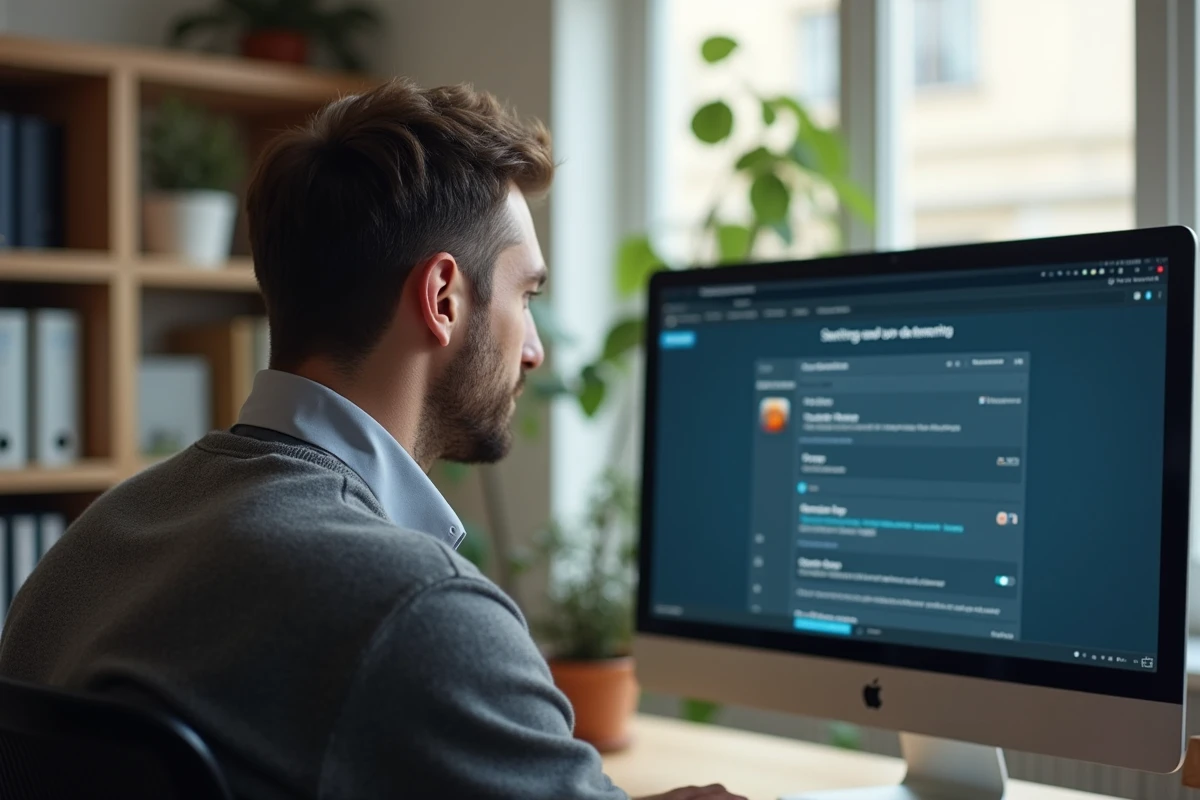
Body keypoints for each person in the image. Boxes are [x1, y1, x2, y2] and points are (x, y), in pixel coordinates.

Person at [0, 80, 745, 800]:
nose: (535, 350)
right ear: (443, 297)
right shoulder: (420, 610)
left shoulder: (90, 546)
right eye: (527, 296)